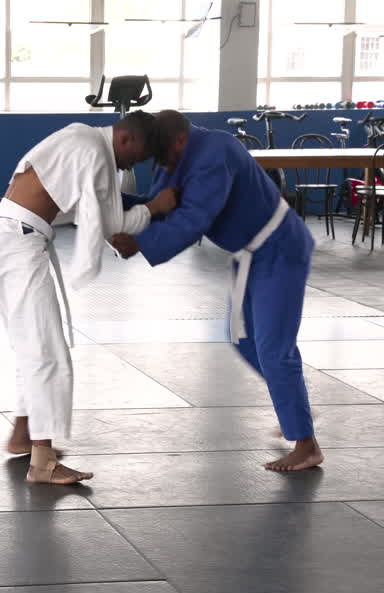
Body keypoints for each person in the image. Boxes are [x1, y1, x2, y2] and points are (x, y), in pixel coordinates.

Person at [110, 110, 324, 472]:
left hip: (280, 249)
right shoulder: (173, 153)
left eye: (166, 156)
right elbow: (159, 201)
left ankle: (307, 444)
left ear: (181, 139)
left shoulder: (215, 152)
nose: (163, 164)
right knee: (244, 340)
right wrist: (110, 203)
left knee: (273, 348)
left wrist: (141, 244)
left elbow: (192, 220)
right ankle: (293, 401)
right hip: (251, 255)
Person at [0, 112, 178, 485]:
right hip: (19, 246)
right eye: (135, 159)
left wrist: (116, 226)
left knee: (31, 345)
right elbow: (109, 221)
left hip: (7, 238)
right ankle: (42, 463)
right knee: (46, 352)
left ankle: (23, 432)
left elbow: (93, 211)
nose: (130, 167)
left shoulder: (81, 136)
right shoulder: (95, 153)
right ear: (128, 140)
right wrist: (156, 207)